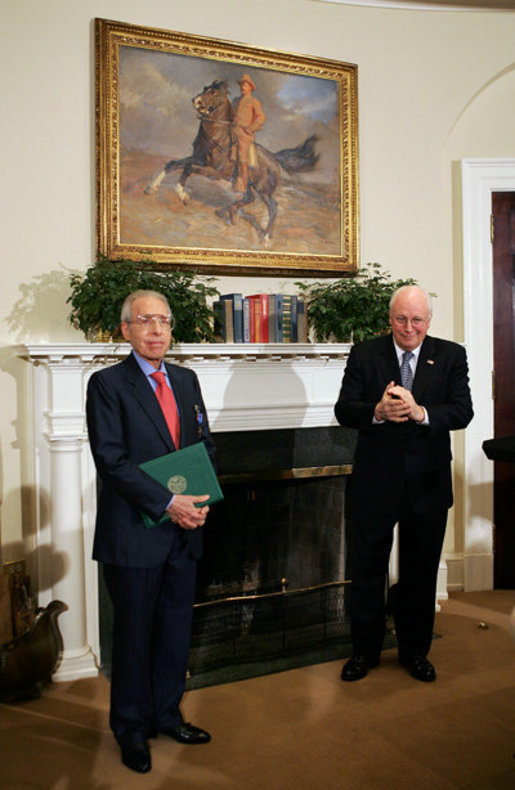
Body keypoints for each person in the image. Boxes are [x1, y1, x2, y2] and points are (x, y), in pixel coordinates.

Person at [86, 290, 216, 774]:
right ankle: (130, 729)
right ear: (126, 330)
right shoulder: (107, 384)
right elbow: (112, 460)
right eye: (146, 321)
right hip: (133, 535)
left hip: (185, 532)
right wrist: (168, 503)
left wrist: (200, 503)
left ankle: (166, 714)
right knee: (135, 637)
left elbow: (204, 445)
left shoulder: (186, 379)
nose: (157, 330)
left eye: (163, 321)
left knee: (174, 633)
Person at [335, 285, 473, 683]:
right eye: (401, 319)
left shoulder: (450, 355)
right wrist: (376, 411)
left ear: (428, 322)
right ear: (390, 319)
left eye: (416, 320)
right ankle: (365, 650)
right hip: (375, 482)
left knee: (420, 572)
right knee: (367, 570)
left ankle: (415, 651)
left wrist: (421, 412)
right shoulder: (365, 353)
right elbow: (344, 408)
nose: (408, 327)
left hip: (427, 484)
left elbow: (462, 411)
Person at [231, 73, 266, 193]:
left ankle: (242, 183)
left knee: (241, 155)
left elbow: (261, 117)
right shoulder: (235, 101)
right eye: (241, 85)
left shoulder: (254, 101)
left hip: (245, 134)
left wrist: (251, 128)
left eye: (245, 85)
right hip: (233, 130)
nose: (242, 87)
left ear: (250, 87)